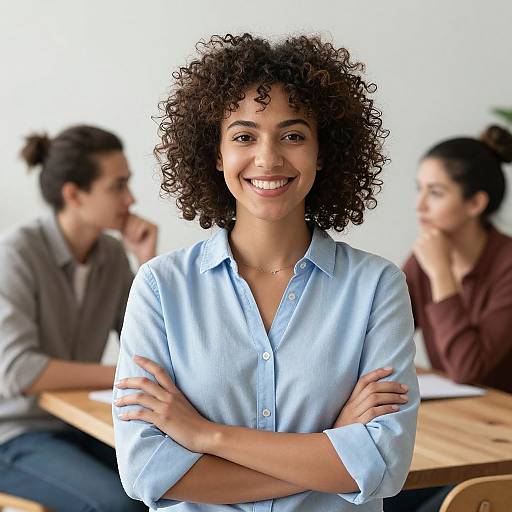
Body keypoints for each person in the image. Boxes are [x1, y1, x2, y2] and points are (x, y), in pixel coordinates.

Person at [113, 33, 420, 511]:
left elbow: (382, 465)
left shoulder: (376, 286)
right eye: (243, 136)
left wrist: (204, 435)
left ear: (322, 152)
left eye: (293, 136)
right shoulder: (160, 286)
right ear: (217, 155)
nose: (268, 158)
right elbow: (147, 470)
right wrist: (330, 449)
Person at [0, 125, 156, 512]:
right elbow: (19, 372)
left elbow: (153, 346)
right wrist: (122, 376)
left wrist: (147, 263)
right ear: (73, 194)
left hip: (73, 426)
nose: (131, 198)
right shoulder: (16, 255)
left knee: (165, 488)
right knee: (117, 506)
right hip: (12, 435)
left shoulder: (112, 256)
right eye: (117, 186)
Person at [384, 125, 512, 512]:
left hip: (497, 443)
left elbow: (468, 368)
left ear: (475, 203)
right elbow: (381, 336)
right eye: (419, 189)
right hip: (458, 429)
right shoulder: (426, 256)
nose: (420, 206)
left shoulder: (505, 265)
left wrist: (441, 277)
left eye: (435, 193)